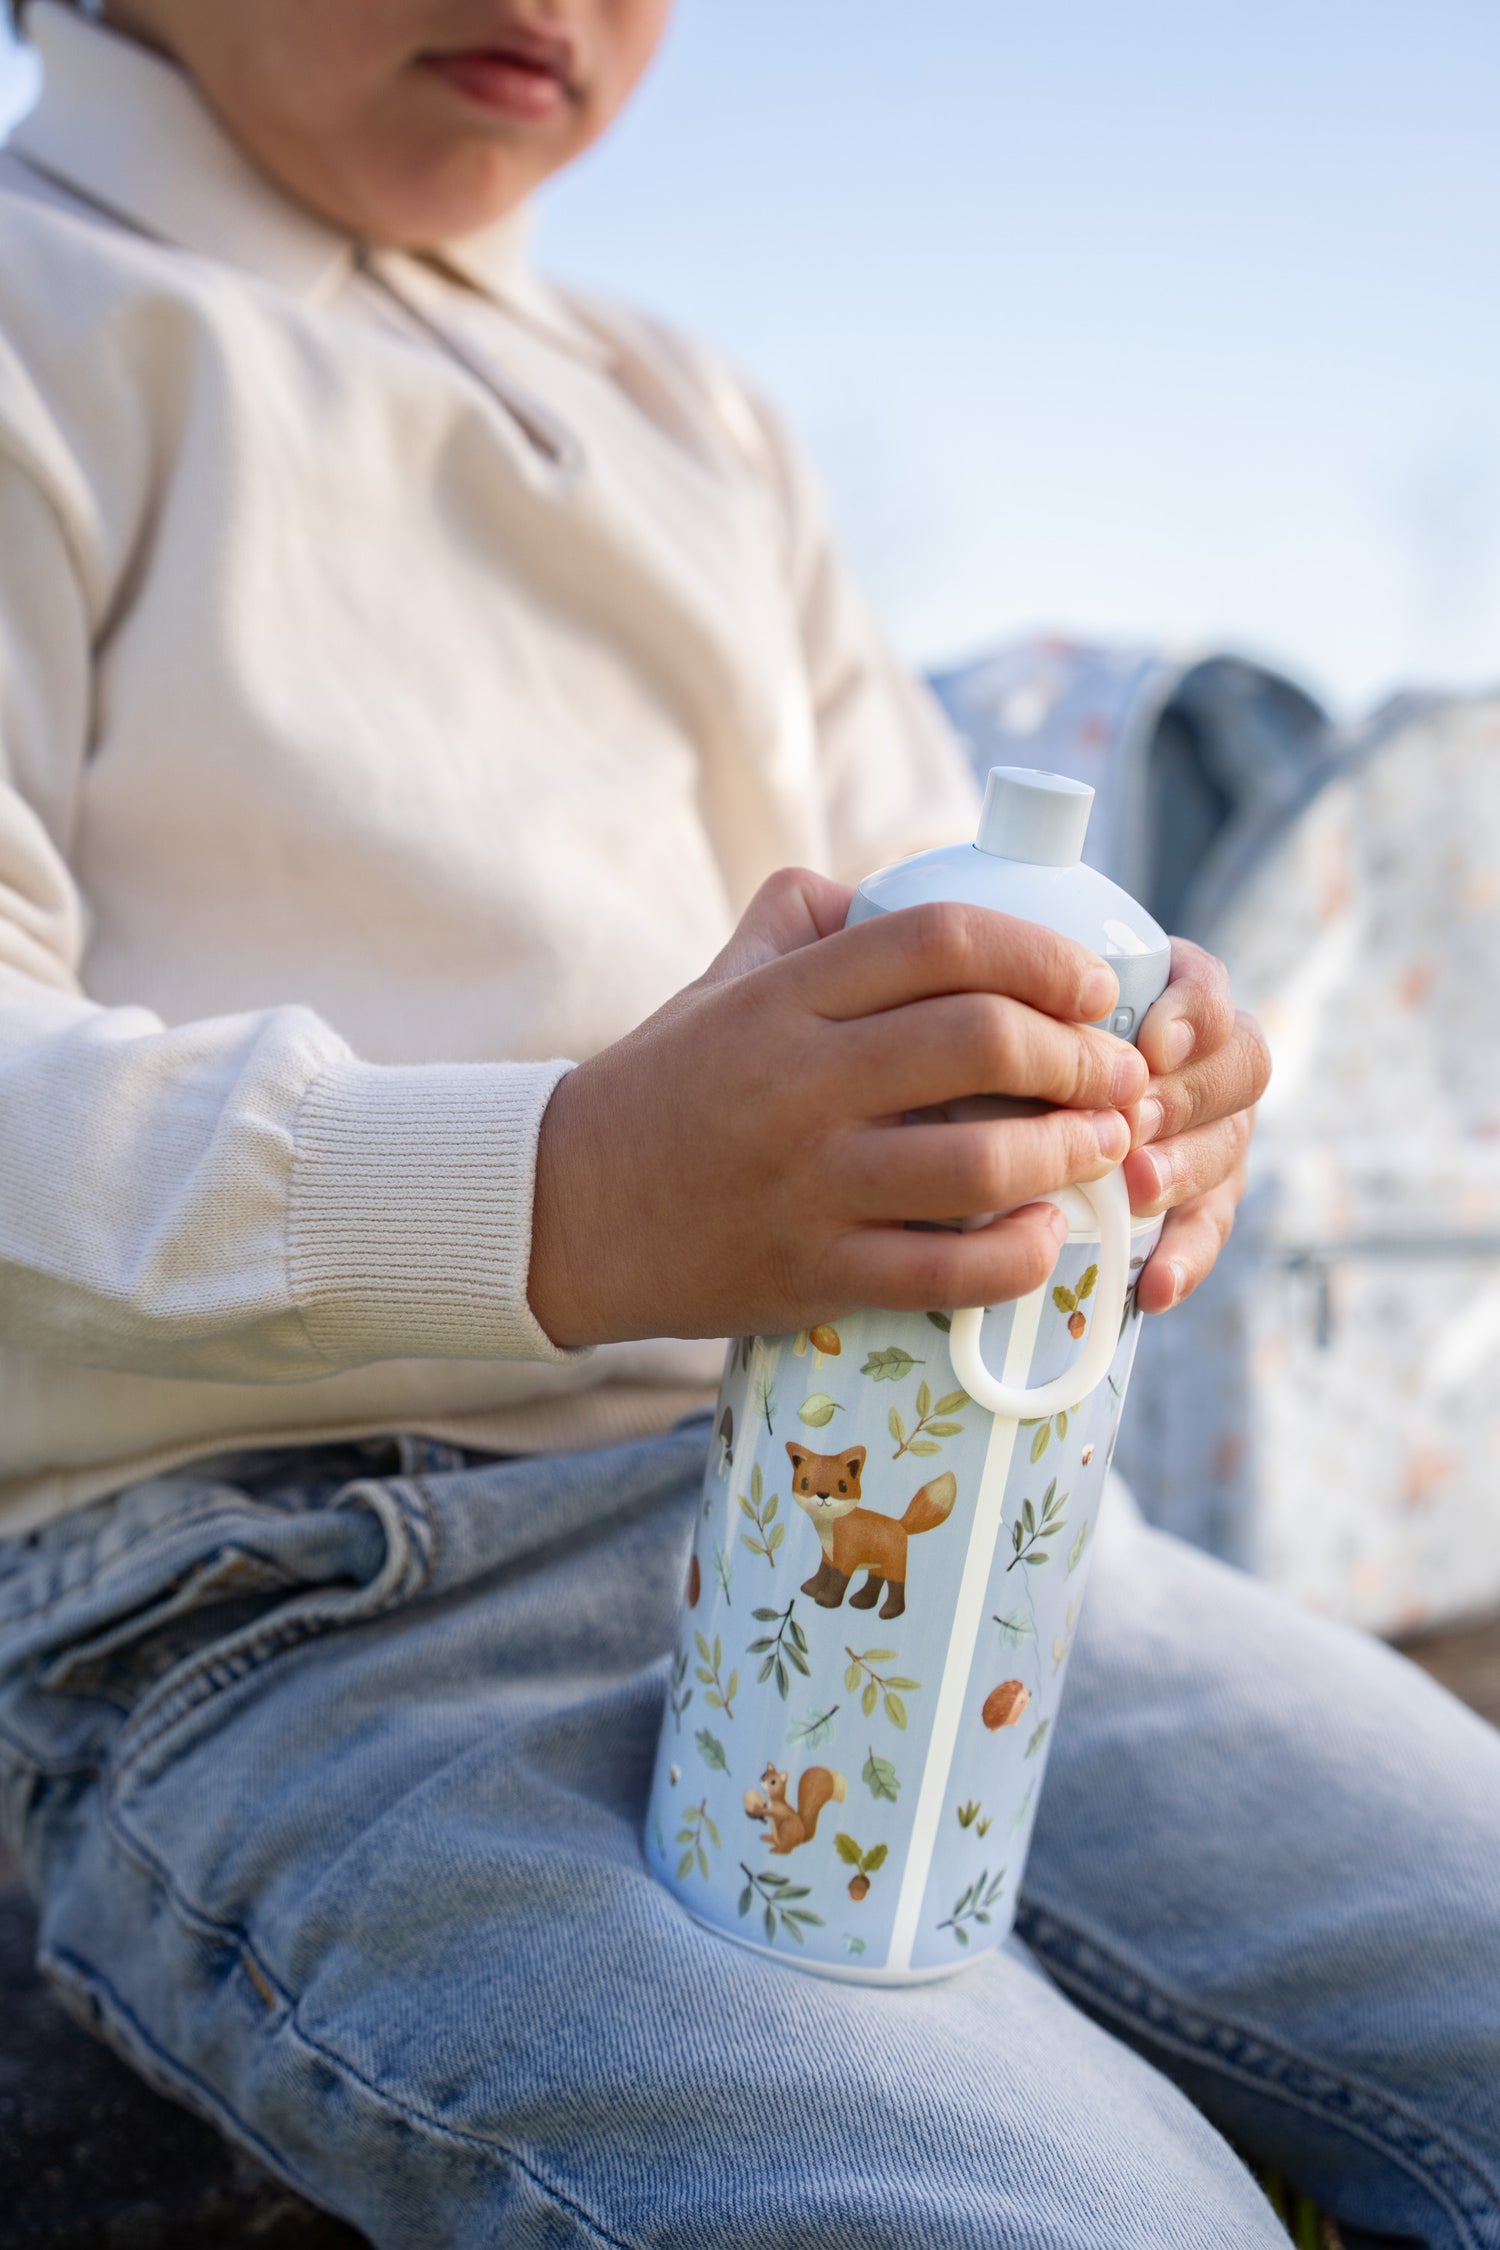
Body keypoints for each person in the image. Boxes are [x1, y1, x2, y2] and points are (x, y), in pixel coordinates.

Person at [0, 5, 1494, 2246]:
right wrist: (576, 1190)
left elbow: (930, 927)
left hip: (882, 1512)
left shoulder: (695, 421)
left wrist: (1104, 1081)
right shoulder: (51, 312)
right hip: (275, 1595)